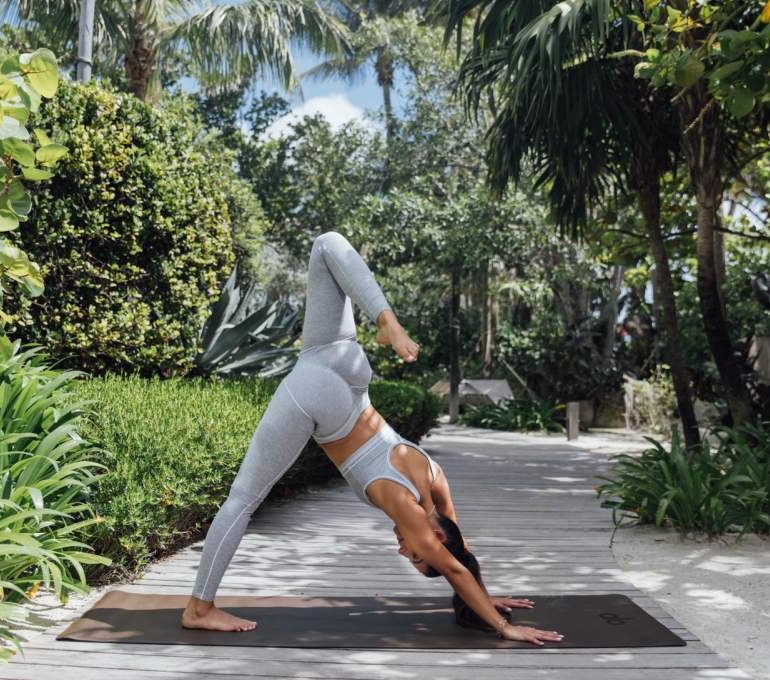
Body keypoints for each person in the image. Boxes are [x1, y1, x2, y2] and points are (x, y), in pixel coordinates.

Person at [180, 232, 563, 646]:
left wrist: (481, 599)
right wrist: (503, 626)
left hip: (344, 365)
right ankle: (198, 609)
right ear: (433, 539)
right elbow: (453, 567)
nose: (405, 551)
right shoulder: (410, 514)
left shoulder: (435, 479)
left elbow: (460, 552)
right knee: (242, 499)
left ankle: (387, 321)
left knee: (327, 243)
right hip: (319, 401)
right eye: (417, 555)